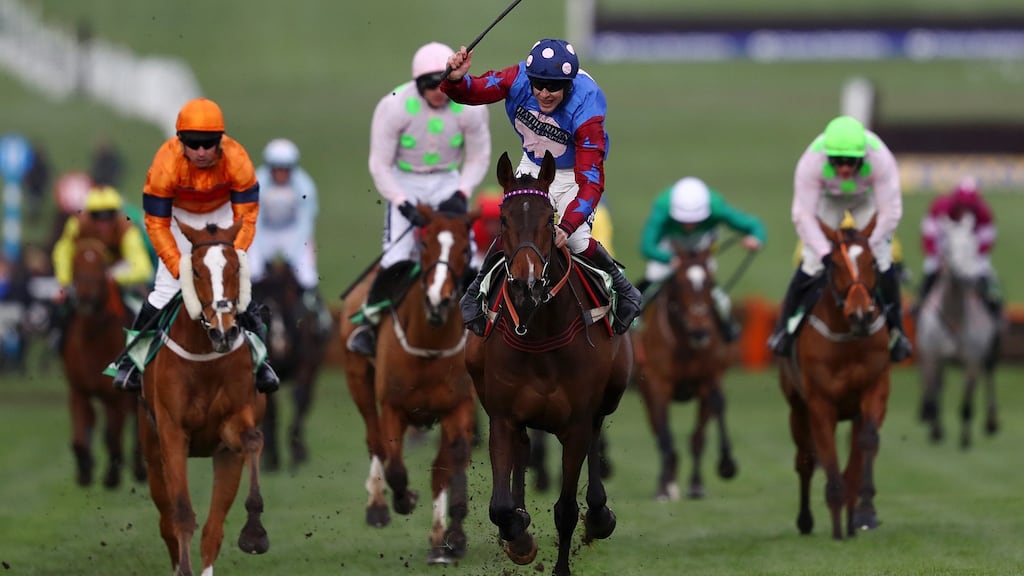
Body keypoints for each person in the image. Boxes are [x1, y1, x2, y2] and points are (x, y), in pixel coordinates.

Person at [442, 38, 642, 335]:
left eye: (554, 87)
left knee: (574, 241)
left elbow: (591, 182)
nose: (544, 94)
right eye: (539, 85)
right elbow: (475, 90)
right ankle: (475, 292)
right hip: (534, 164)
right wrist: (456, 79)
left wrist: (569, 225)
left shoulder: (587, 109)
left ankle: (624, 290)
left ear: (569, 85)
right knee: (515, 228)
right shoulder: (517, 78)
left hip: (574, 174)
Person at [110, 97, 279, 393]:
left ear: (220, 141)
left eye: (208, 143)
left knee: (237, 289)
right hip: (178, 218)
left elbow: (247, 216)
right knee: (165, 290)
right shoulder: (165, 163)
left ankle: (260, 361)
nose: (201, 151)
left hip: (224, 213)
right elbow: (156, 223)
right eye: (192, 143)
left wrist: (233, 255)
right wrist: (180, 267)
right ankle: (130, 362)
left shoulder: (237, 159)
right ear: (180, 140)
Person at [347, 41, 492, 356]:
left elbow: (479, 157)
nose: (438, 92)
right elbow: (380, 165)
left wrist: (461, 192)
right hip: (404, 182)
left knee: (463, 256)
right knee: (398, 256)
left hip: (448, 182)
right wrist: (401, 202)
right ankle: (369, 325)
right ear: (416, 85)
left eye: (441, 83)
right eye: (429, 86)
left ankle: (481, 320)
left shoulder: (470, 105)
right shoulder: (394, 106)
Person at [767, 115, 912, 362]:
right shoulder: (811, 162)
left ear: (863, 158)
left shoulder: (881, 159)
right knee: (810, 263)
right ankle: (783, 330)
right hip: (828, 201)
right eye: (837, 161)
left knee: (884, 261)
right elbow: (803, 215)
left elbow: (890, 212)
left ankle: (898, 332)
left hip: (866, 200)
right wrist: (825, 253)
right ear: (827, 157)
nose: (844, 168)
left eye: (851, 162)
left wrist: (871, 246)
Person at [637, 177, 765, 342]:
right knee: (653, 279)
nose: (689, 226)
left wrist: (756, 239)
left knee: (721, 299)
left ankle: (727, 328)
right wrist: (669, 258)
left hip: (701, 247)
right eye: (683, 221)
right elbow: (646, 246)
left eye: (695, 221)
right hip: (670, 245)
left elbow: (754, 225)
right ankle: (634, 320)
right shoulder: (662, 207)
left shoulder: (717, 206)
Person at [50, 186, 154, 349]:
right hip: (84, 278)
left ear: (117, 214)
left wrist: (112, 277)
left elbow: (142, 267)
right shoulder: (77, 224)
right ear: (88, 214)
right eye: (97, 216)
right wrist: (65, 280)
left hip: (115, 275)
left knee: (141, 310)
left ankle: (142, 346)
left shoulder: (126, 227)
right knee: (60, 305)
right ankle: (58, 339)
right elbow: (63, 251)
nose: (103, 223)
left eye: (109, 215)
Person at [249, 138, 332, 334]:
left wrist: (292, 255)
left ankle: (320, 314)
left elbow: (305, 223)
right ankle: (248, 309)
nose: (281, 173)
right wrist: (264, 253)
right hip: (265, 232)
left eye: (285, 168)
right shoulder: (257, 183)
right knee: (253, 270)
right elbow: (255, 220)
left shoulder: (304, 186)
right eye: (277, 168)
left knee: (307, 275)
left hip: (293, 233)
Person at [919, 176, 1002, 317]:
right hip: (942, 252)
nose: (965, 209)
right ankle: (920, 303)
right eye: (963, 204)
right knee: (930, 268)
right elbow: (929, 235)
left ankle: (994, 309)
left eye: (969, 205)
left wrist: (970, 257)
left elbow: (987, 240)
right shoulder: (939, 207)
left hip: (972, 253)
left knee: (986, 271)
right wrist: (938, 257)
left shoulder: (984, 212)